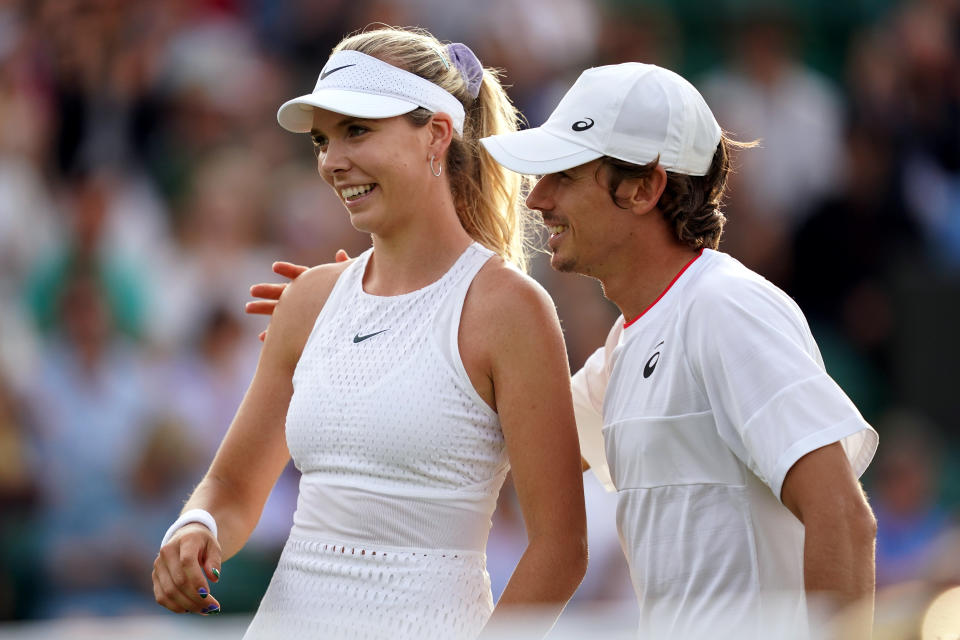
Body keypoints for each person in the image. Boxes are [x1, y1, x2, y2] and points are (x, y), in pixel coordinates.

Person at [250, 62, 880, 639]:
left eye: (565, 176)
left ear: (643, 188)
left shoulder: (726, 309)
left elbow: (843, 518)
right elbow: (467, 423)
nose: (537, 198)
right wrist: (372, 317)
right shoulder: (629, 345)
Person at [152, 27, 587, 640]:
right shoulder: (308, 300)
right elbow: (230, 486)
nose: (332, 160)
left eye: (357, 130)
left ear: (436, 135)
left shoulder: (511, 309)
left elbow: (560, 548)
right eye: (322, 140)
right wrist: (196, 527)